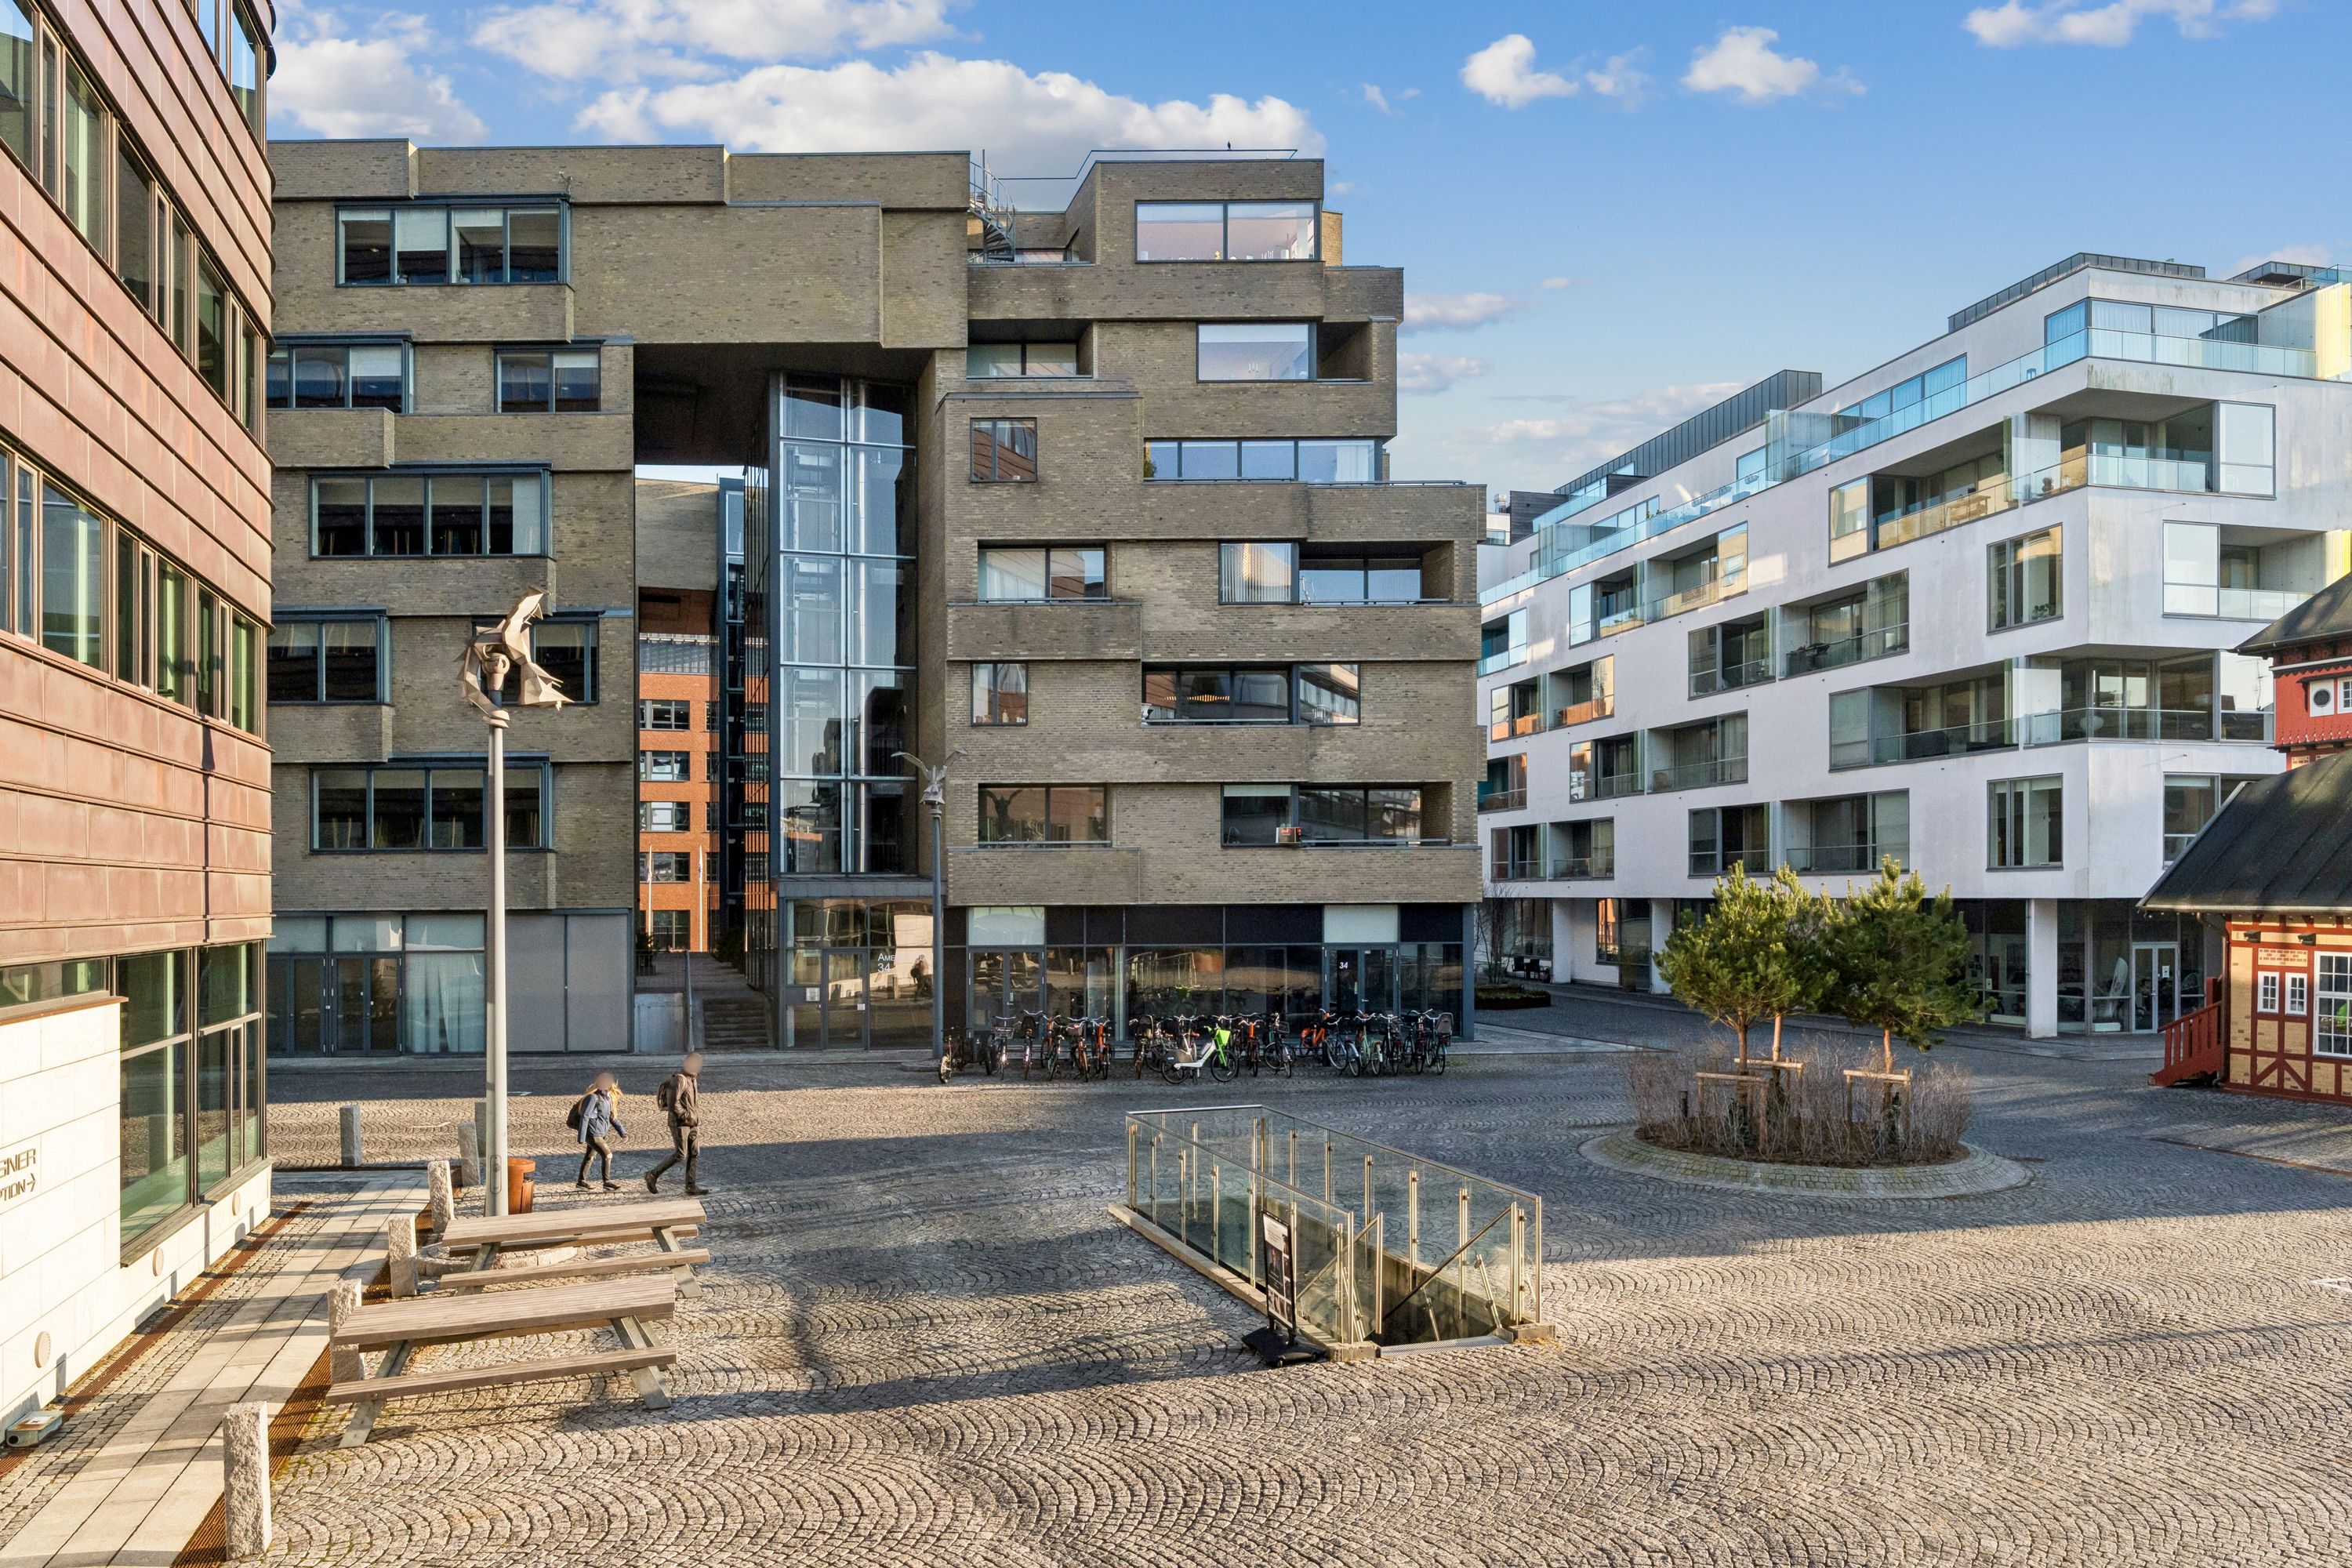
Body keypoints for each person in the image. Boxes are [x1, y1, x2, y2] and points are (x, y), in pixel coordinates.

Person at [644, 1051, 707, 1196]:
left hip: (693, 1122)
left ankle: (691, 1186)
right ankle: (652, 1175)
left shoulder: (693, 1078)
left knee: (695, 1153)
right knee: (681, 1154)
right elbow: (673, 1104)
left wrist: (694, 1117)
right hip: (680, 1122)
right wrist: (686, 1116)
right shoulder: (679, 1079)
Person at [574, 1073, 626, 1192]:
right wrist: (582, 1137)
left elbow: (611, 1117)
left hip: (600, 1133)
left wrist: (622, 1131)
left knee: (589, 1157)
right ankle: (607, 1182)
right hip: (592, 1134)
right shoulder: (593, 1097)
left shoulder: (607, 1098)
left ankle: (581, 1182)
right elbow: (585, 1116)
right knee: (608, 1155)